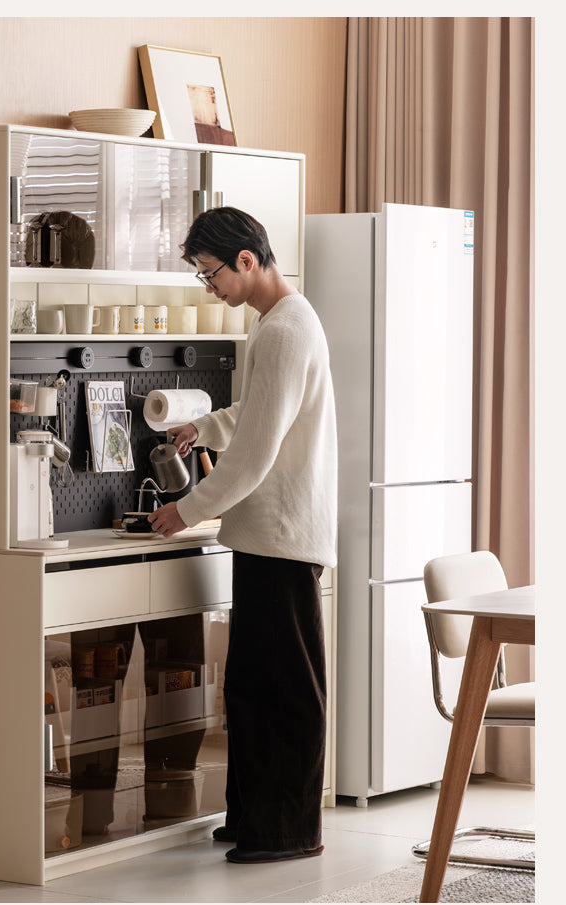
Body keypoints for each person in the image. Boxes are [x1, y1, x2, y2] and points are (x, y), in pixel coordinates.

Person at [148, 207, 338, 864]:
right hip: (266, 534)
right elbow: (254, 416)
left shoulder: (285, 330)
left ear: (248, 261)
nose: (211, 287)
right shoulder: (280, 324)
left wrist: (188, 509)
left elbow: (257, 454)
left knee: (284, 689)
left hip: (281, 535)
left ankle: (288, 830)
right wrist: (205, 427)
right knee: (254, 686)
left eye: (211, 274)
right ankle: (256, 817)